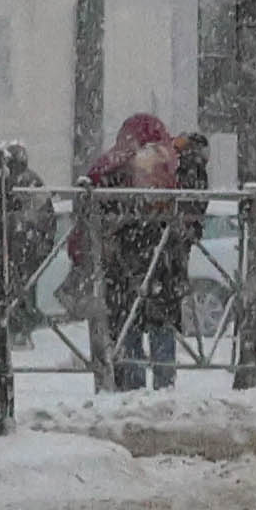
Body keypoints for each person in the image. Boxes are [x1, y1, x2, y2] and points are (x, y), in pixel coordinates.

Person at [88, 115, 204, 390]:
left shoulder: (115, 166)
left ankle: (133, 383)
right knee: (161, 325)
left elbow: (99, 207)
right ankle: (164, 382)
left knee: (129, 325)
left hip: (126, 262)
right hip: (166, 262)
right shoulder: (174, 165)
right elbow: (194, 209)